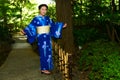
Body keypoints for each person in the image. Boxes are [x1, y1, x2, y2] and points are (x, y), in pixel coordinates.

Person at [21, 4, 67, 74]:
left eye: (45, 9)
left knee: (48, 52)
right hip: (41, 38)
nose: (44, 11)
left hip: (48, 37)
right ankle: (43, 69)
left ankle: (48, 67)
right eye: (42, 9)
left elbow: (53, 25)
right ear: (39, 10)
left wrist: (61, 26)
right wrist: (25, 31)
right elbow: (31, 27)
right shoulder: (36, 19)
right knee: (43, 53)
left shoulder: (48, 18)